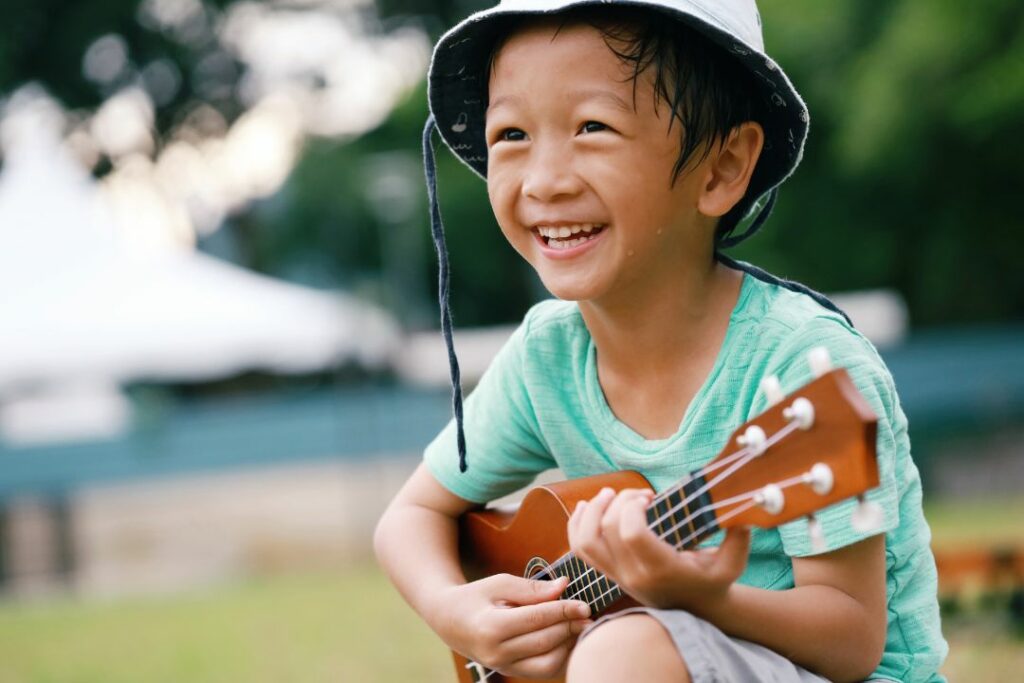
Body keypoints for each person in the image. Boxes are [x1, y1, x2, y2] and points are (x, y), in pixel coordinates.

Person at [374, 1, 948, 681]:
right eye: (512, 135)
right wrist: (456, 610)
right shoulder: (547, 357)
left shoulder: (800, 368)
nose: (544, 180)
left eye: (593, 127)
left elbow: (853, 639)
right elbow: (409, 515)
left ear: (721, 168)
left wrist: (700, 599)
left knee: (625, 651)